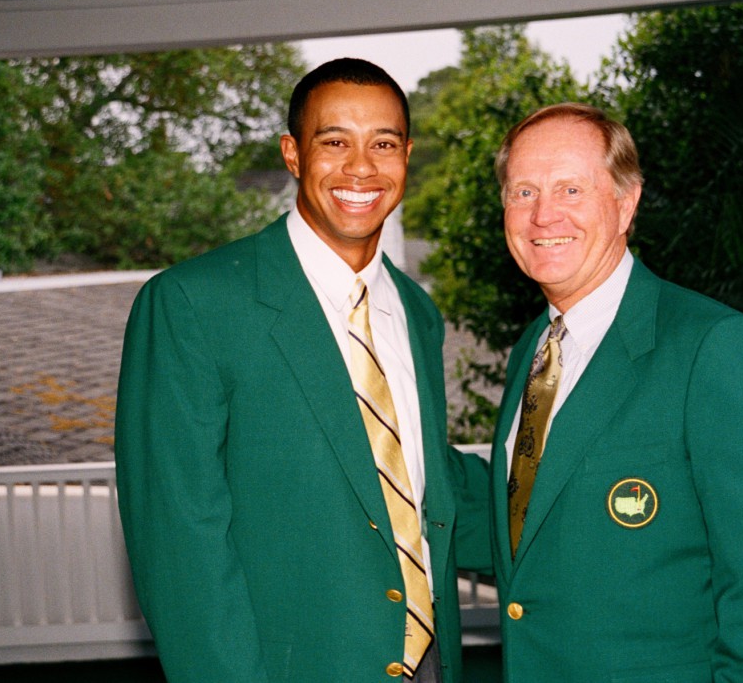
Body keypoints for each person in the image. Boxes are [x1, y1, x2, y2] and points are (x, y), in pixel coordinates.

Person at [114, 58, 490, 683]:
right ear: (293, 153)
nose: (361, 167)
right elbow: (180, 547)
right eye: (335, 141)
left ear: (407, 156)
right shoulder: (192, 306)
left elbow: (420, 480)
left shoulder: (415, 312)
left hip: (430, 663)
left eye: (384, 144)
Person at [488, 102, 743, 682]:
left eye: (571, 189)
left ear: (626, 203)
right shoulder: (533, 350)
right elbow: (534, 512)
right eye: (523, 193)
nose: (543, 215)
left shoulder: (716, 348)